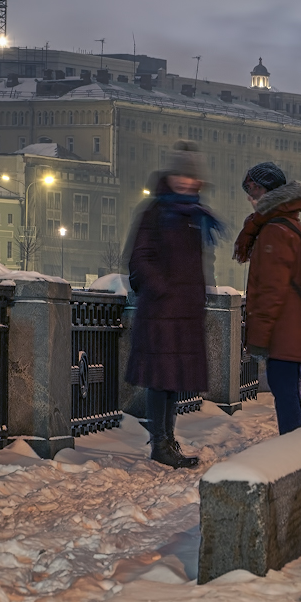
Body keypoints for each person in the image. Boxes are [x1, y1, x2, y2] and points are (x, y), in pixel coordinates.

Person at [126, 141, 223, 469]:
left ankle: (168, 439)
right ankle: (160, 444)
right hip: (161, 311)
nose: (185, 181)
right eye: (180, 175)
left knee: (173, 381)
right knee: (161, 380)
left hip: (184, 311)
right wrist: (163, 289)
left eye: (190, 176)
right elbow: (139, 257)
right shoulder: (156, 211)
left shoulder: (195, 216)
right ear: (171, 177)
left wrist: (199, 294)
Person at [234, 161, 301, 435]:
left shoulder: (274, 230)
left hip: (285, 332)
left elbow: (270, 291)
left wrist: (258, 340)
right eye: (248, 189)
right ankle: (293, 452)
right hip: (293, 328)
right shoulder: (289, 224)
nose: (250, 196)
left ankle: (291, 457)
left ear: (270, 191)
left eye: (254, 188)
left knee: (285, 395)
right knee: (288, 394)